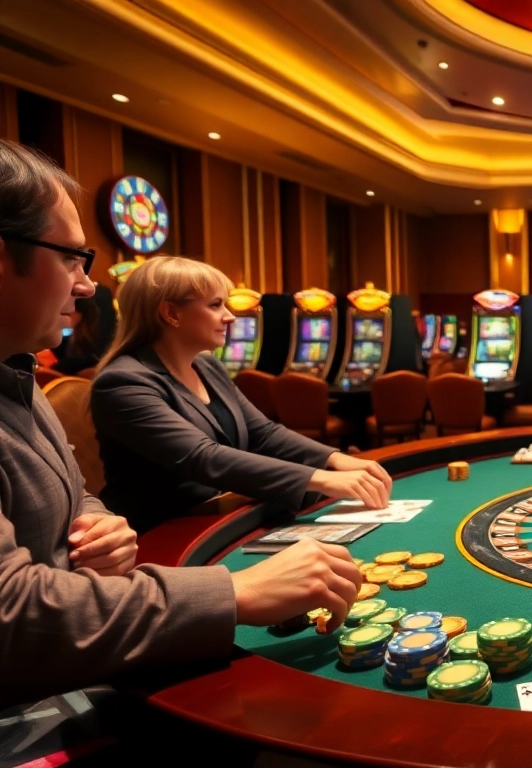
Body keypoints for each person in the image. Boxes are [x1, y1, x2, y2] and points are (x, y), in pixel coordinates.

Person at [0, 139, 361, 708]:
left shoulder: (19, 378)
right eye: (71, 258)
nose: (88, 287)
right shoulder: (122, 380)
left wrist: (103, 526)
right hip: (62, 667)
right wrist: (238, 590)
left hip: (115, 598)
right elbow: (201, 458)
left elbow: (79, 497)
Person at [90, 257, 393, 532]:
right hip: (162, 534)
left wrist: (333, 458)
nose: (230, 317)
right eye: (215, 305)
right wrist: (319, 478)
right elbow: (203, 457)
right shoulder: (123, 383)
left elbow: (263, 433)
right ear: (170, 313)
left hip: (221, 517)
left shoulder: (207, 366)